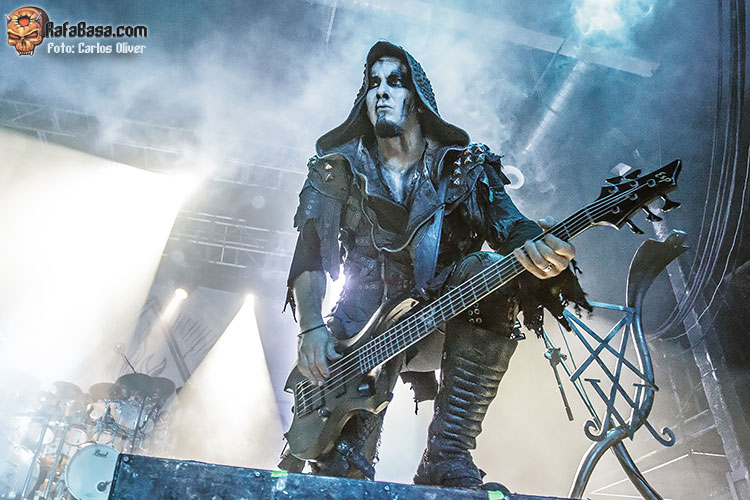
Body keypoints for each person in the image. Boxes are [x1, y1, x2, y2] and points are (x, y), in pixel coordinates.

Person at [282, 41, 589, 490]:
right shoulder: (336, 171)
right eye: (373, 83)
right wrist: (310, 327)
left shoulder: (463, 168)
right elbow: (308, 253)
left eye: (395, 81)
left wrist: (539, 249)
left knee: (488, 268)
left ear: (417, 96)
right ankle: (346, 458)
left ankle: (447, 452)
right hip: (358, 330)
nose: (381, 91)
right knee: (341, 478)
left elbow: (511, 225)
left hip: (439, 315)